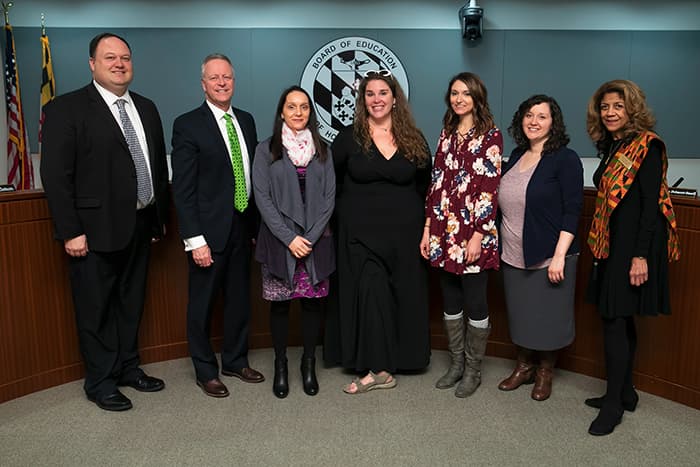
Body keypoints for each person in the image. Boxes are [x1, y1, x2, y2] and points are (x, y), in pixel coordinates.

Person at [40, 33, 169, 411]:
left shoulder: (146, 107)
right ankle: (100, 381)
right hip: (92, 232)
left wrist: (158, 219)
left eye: (125, 57)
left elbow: (156, 166)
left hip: (141, 225)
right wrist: (70, 230)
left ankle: (129, 368)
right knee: (95, 309)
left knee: (131, 305)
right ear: (92, 64)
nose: (119, 63)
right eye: (109, 57)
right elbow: (56, 174)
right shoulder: (67, 108)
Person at [323, 69, 431, 394]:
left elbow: (426, 185)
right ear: (362, 100)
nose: (377, 99)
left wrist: (426, 229)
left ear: (395, 98)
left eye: (383, 93)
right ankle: (378, 369)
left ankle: (402, 358)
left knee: (400, 298)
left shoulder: (414, 138)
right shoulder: (348, 137)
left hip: (405, 237)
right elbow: (331, 182)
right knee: (371, 296)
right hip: (360, 236)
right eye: (370, 94)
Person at [585, 79, 680, 435]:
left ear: (632, 109)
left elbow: (650, 206)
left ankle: (612, 406)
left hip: (633, 247)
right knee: (620, 319)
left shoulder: (647, 147)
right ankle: (625, 392)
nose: (610, 112)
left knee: (614, 318)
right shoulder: (612, 145)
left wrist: (640, 256)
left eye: (618, 107)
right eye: (605, 107)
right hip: (612, 241)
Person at [171, 53, 264, 398]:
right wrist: (196, 240)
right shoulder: (188, 124)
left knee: (240, 299)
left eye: (227, 77)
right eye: (214, 78)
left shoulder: (247, 120)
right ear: (203, 84)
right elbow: (183, 188)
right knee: (202, 304)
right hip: (208, 233)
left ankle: (236, 361)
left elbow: (254, 175)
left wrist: (257, 228)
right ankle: (206, 370)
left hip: (243, 227)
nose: (222, 83)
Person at [420, 72, 502, 398]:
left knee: (475, 299)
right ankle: (456, 365)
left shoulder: (491, 136)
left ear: (477, 98)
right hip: (443, 230)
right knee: (450, 297)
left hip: (473, 232)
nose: (459, 99)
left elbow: (489, 187)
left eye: (465, 93)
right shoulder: (447, 133)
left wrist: (479, 234)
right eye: (454, 93)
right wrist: (428, 229)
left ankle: (473, 370)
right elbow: (436, 182)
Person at [497, 95, 583, 401]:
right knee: (521, 314)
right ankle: (524, 367)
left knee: (549, 317)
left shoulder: (565, 158)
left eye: (542, 116)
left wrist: (559, 256)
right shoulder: (518, 154)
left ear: (553, 122)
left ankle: (545, 372)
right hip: (512, 253)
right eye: (529, 115)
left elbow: (572, 210)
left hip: (550, 254)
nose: (534, 121)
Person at [252, 86, 335, 398]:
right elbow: (262, 198)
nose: (298, 113)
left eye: (304, 107)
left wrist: (308, 239)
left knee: (313, 305)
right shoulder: (267, 149)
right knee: (281, 307)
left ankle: (308, 364)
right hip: (279, 242)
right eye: (291, 107)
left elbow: (329, 200)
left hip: (315, 243)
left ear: (310, 113)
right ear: (281, 112)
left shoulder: (323, 149)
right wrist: (290, 239)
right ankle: (281, 365)